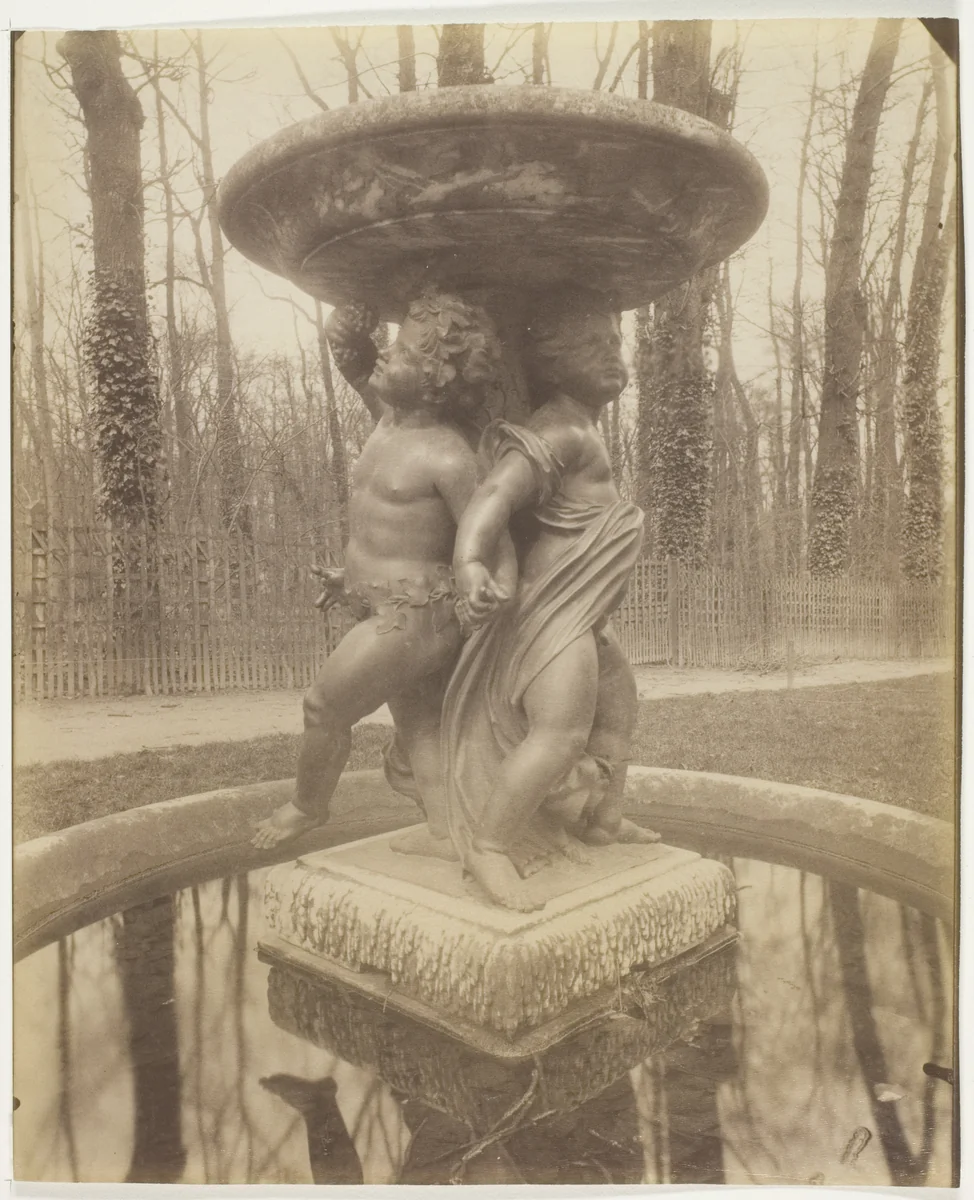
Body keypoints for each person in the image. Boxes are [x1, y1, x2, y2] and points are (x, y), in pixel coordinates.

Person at [252, 290, 507, 853]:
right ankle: (449, 834)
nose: (387, 356)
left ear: (437, 379)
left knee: (324, 706)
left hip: (417, 616)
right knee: (421, 729)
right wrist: (351, 309)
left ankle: (307, 807)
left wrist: (486, 588)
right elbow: (349, 352)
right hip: (381, 606)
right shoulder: (387, 420)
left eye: (404, 353)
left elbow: (489, 539)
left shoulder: (450, 455)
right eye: (391, 344)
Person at [446, 287, 659, 911]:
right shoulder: (558, 431)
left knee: (617, 713)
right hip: (551, 614)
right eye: (595, 346)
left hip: (585, 616)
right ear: (552, 362)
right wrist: (469, 562)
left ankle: (603, 821)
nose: (614, 357)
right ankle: (489, 847)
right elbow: (491, 498)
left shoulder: (583, 427)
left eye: (616, 343)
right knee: (562, 734)